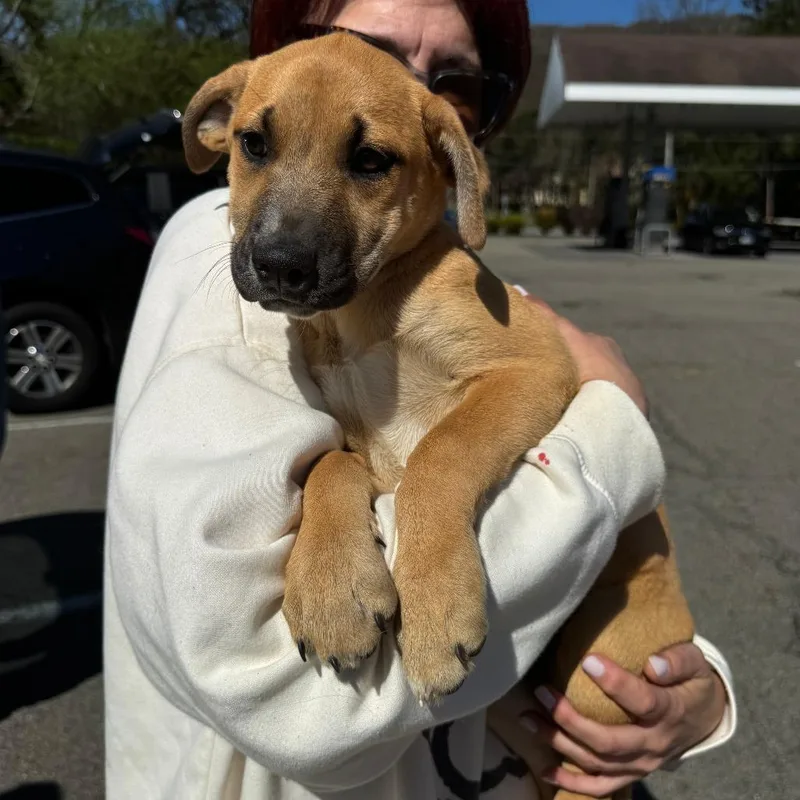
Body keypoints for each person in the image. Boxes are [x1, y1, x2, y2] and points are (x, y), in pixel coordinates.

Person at [104, 1, 736, 798]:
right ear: (220, 128)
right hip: (410, 742)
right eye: (257, 147)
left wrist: (703, 687)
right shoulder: (210, 269)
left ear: (455, 150)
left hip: (578, 651)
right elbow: (306, 692)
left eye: (455, 79)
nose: (284, 240)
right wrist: (333, 500)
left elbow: (529, 382)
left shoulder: (438, 280)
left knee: (595, 717)